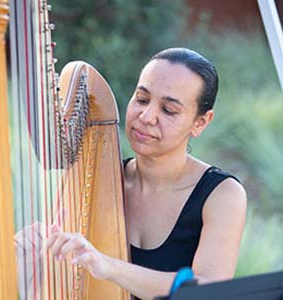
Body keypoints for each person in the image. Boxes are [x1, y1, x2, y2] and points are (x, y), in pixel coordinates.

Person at [16, 47, 247, 300]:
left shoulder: (222, 195)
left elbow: (209, 291)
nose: (146, 117)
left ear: (200, 122)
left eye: (168, 110)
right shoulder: (91, 185)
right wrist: (27, 266)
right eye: (141, 99)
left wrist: (108, 266)